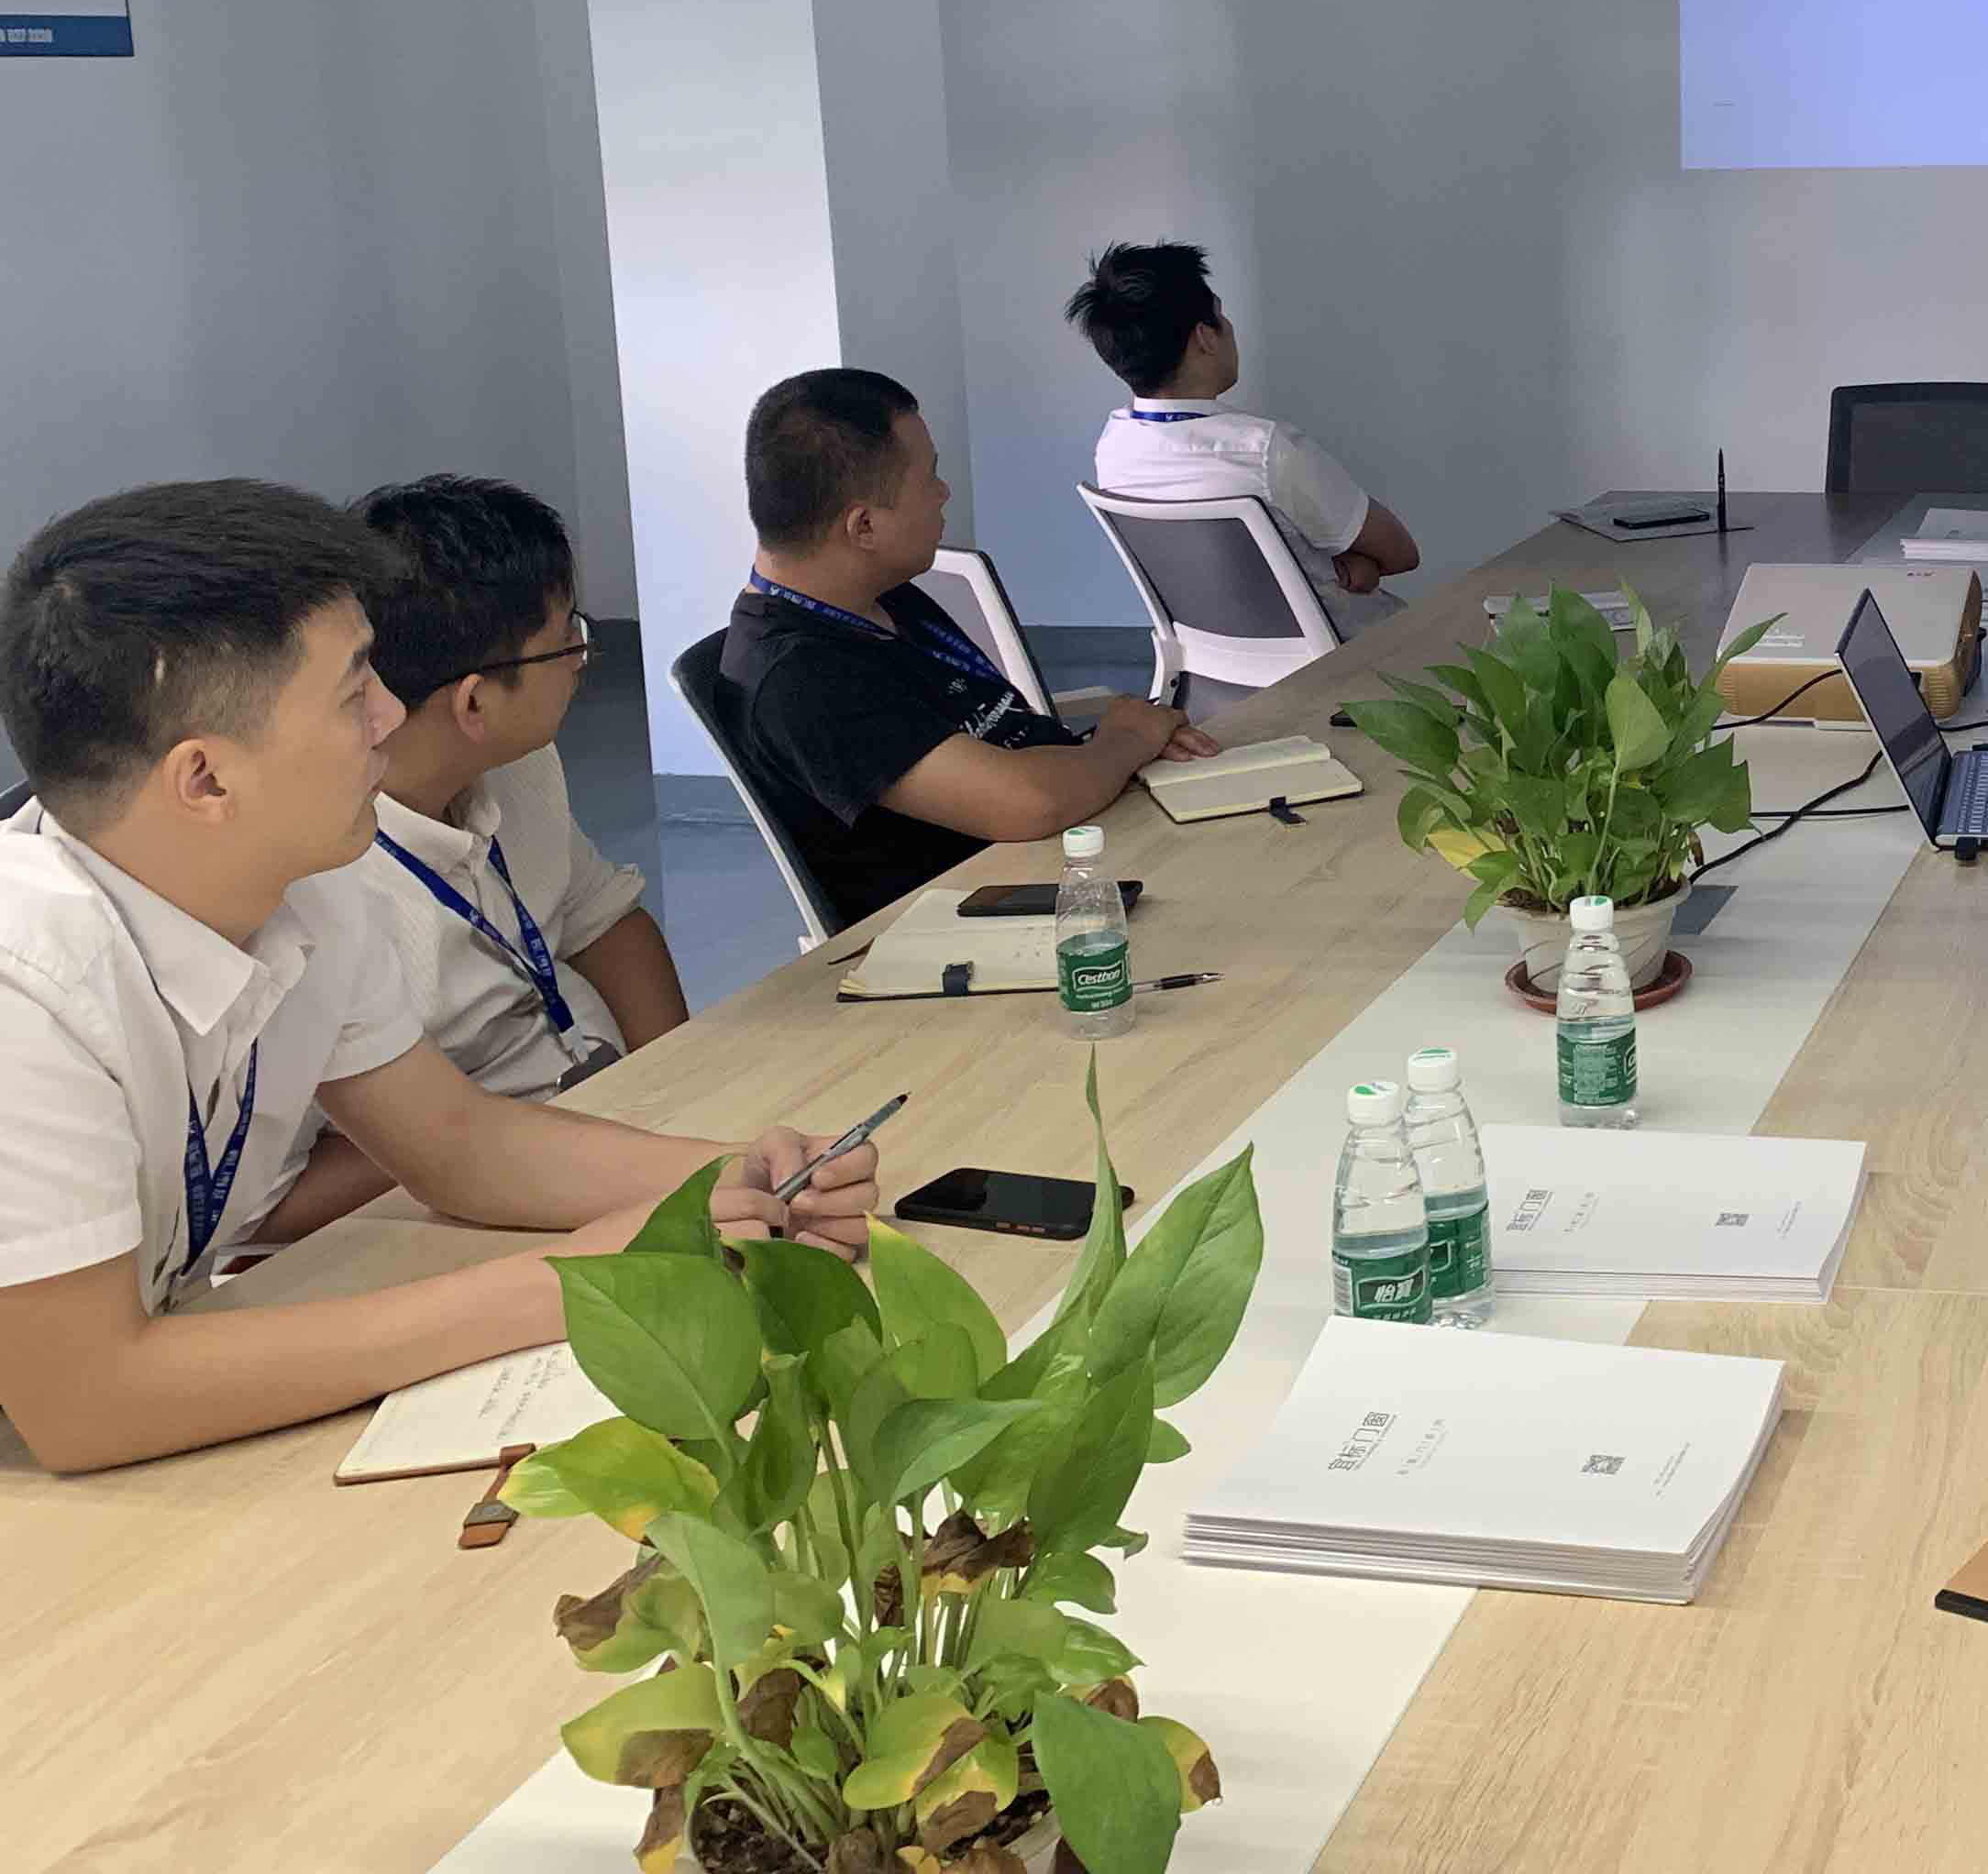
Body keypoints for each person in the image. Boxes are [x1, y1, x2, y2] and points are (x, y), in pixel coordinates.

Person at [0, 481, 878, 1475]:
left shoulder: (301, 887)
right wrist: (575, 1281)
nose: (391, 714)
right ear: (205, 780)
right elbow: (89, 1403)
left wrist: (729, 1178)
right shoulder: (26, 989)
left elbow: (458, 1146)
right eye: (353, 695)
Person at [237, 477, 696, 1247]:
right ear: (474, 703)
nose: (584, 659)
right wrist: (476, 1126)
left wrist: (678, 1091)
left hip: (571, 1136)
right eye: (568, 641)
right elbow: (262, 1211)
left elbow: (605, 921)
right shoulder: (309, 880)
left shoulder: (516, 763)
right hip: (435, 1208)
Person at [719, 368, 1210, 933]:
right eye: (929, 477)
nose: (943, 492)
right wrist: (1124, 741)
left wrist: (1118, 751)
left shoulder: (877, 593)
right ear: (864, 526)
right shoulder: (799, 679)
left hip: (1068, 838)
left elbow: (1007, 743)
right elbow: (1028, 802)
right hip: (986, 916)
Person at [1067, 242, 1420, 656]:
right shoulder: (1264, 450)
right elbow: (1401, 553)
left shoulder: (1114, 448)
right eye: (1220, 315)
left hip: (1213, 667)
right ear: (1204, 337)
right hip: (1348, 659)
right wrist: (1362, 564)